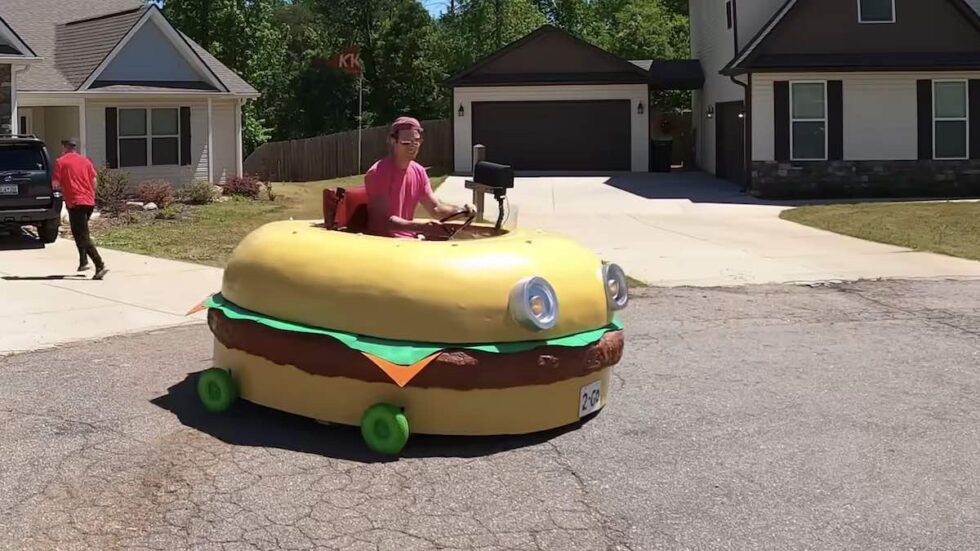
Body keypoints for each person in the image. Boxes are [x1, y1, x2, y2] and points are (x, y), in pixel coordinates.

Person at [365, 116, 473, 239]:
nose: (412, 146)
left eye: (416, 142)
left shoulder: (419, 171)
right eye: (406, 142)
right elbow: (383, 221)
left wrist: (463, 211)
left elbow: (436, 209)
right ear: (392, 140)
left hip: (409, 240)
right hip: (383, 244)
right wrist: (421, 227)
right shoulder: (378, 173)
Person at [53, 138, 108, 280]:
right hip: (89, 202)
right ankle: (83, 262)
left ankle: (100, 264)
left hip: (75, 202)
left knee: (82, 236)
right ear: (74, 148)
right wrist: (90, 194)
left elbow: (55, 184)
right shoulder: (86, 161)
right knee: (81, 232)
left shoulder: (61, 162)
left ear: (64, 147)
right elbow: (94, 181)